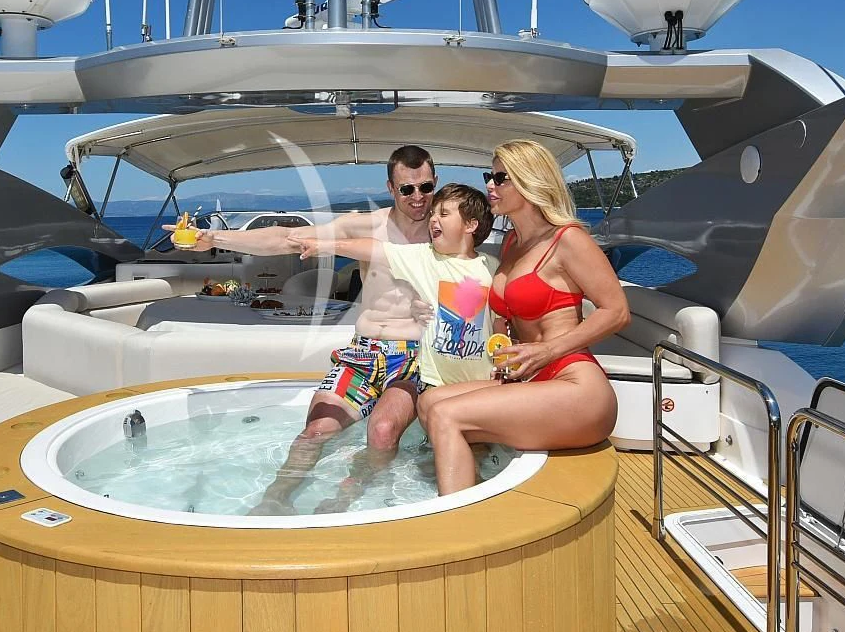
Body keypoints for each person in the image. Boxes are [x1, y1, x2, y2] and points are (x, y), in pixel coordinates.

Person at [180, 145, 438, 503]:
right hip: (365, 354)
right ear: (391, 189)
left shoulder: (445, 231)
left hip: (414, 359)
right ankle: (273, 501)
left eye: (426, 187)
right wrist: (215, 239)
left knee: (381, 432)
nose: (418, 198)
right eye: (407, 189)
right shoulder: (366, 226)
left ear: (435, 184)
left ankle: (345, 501)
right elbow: (288, 238)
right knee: (313, 433)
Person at [415, 139, 630, 494]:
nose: (490, 186)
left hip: (573, 383)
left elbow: (617, 312)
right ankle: (478, 491)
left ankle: (455, 527)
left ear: (529, 182)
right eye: (490, 175)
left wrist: (546, 351)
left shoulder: (568, 239)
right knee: (429, 402)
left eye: (501, 178)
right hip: (530, 378)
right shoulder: (513, 243)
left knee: (445, 414)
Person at [294, 182, 498, 503]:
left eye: (444, 213)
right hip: (435, 386)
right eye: (434, 213)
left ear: (471, 225)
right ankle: (363, 497)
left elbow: (504, 320)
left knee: (475, 464)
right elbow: (372, 248)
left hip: (480, 386)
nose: (433, 219)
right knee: (445, 462)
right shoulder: (424, 259)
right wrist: (325, 245)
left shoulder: (492, 269)